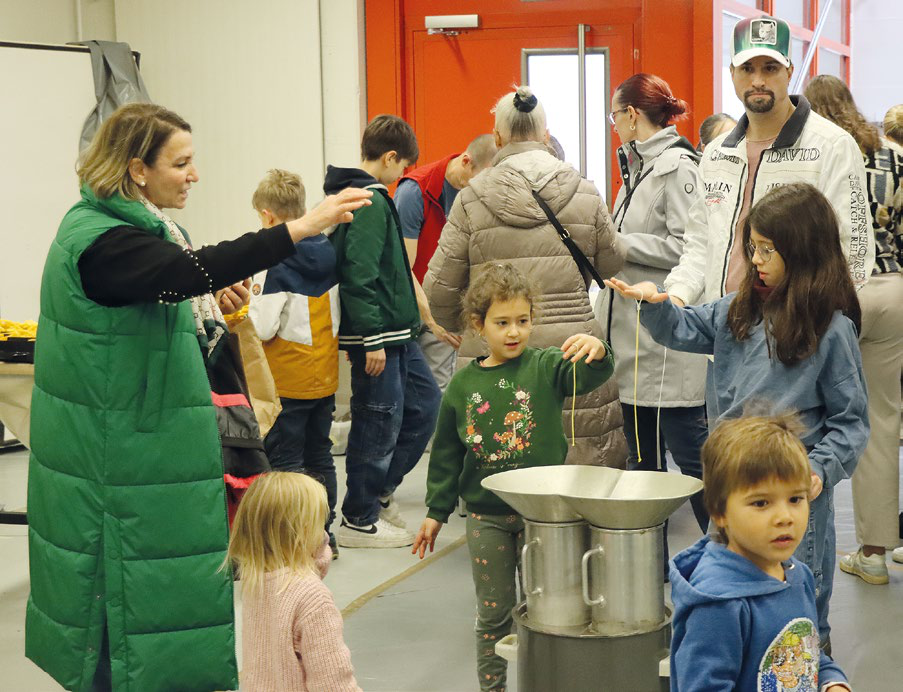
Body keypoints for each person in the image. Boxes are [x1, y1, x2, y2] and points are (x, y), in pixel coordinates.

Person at [25, 103, 371, 692]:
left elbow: (180, 278)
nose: (194, 175)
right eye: (181, 163)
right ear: (138, 169)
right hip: (121, 465)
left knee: (149, 611)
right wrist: (301, 228)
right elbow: (185, 271)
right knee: (120, 618)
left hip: (134, 452)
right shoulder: (103, 243)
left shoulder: (128, 228)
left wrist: (208, 298)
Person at [606, 182, 868, 648]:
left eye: (769, 249)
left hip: (792, 490)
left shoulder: (832, 330)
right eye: (753, 248)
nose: (758, 259)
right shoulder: (737, 310)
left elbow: (851, 423)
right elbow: (683, 328)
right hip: (732, 485)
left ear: (803, 250)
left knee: (794, 613)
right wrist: (653, 302)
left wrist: (817, 471)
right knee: (729, 599)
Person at [413, 263, 616, 692]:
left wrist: (597, 349)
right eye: (501, 322)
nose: (514, 332)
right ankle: (494, 687)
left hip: (543, 516)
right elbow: (447, 454)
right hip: (486, 519)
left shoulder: (546, 366)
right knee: (493, 611)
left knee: (550, 609)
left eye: (522, 321)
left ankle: (547, 681)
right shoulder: (461, 386)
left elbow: (592, 373)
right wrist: (435, 510)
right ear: (477, 325)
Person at [425, 85, 628, 467]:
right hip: (573, 354)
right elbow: (612, 263)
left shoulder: (471, 198)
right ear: (546, 136)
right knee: (581, 478)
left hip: (494, 358)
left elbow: (438, 291)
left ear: (498, 137)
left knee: (502, 480)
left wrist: (477, 327)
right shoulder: (584, 191)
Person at [664, 14, 873, 311]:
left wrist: (818, 326)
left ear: (789, 71)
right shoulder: (715, 153)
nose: (758, 80)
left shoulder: (831, 146)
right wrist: (675, 297)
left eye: (770, 68)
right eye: (747, 68)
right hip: (722, 333)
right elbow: (700, 245)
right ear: (732, 72)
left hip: (798, 336)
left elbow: (854, 252)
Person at [325, 114, 442, 549]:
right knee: (378, 422)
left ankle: (378, 493)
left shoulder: (370, 197)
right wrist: (371, 337)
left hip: (398, 332)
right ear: (391, 158)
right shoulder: (369, 200)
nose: (404, 177)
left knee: (425, 405)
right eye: (404, 167)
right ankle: (359, 516)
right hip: (378, 336)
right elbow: (360, 273)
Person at [669, 414, 851, 692]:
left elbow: (809, 656)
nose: (784, 517)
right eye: (761, 502)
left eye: (795, 499)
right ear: (720, 512)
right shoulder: (719, 605)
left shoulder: (797, 575)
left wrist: (832, 683)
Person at [805, 75, 903, 584]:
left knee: (806, 413)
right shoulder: (892, 154)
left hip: (829, 295)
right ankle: (876, 549)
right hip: (890, 290)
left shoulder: (812, 153)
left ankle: (795, 546)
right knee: (883, 420)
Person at [605, 72, 710, 547]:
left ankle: (730, 563)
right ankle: (648, 579)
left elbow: (691, 248)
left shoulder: (678, 168)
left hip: (665, 342)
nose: (614, 125)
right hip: (633, 340)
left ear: (631, 115)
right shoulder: (637, 168)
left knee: (695, 462)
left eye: (614, 115)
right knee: (643, 465)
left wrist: (617, 242)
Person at [248, 169, 342, 556]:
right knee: (320, 454)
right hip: (324, 375)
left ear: (268, 216)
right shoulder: (326, 248)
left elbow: (264, 326)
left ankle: (294, 540)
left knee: (286, 462)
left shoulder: (276, 258)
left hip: (287, 379)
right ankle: (324, 534)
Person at [228, 472, 361, 691]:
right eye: (320, 525)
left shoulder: (257, 580)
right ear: (305, 531)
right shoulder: (313, 598)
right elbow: (333, 681)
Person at [395, 134, 497, 391]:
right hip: (412, 306)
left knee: (442, 388)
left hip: (445, 306)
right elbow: (403, 269)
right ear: (465, 162)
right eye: (480, 178)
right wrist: (431, 320)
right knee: (417, 391)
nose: (483, 187)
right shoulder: (414, 192)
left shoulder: (477, 195)